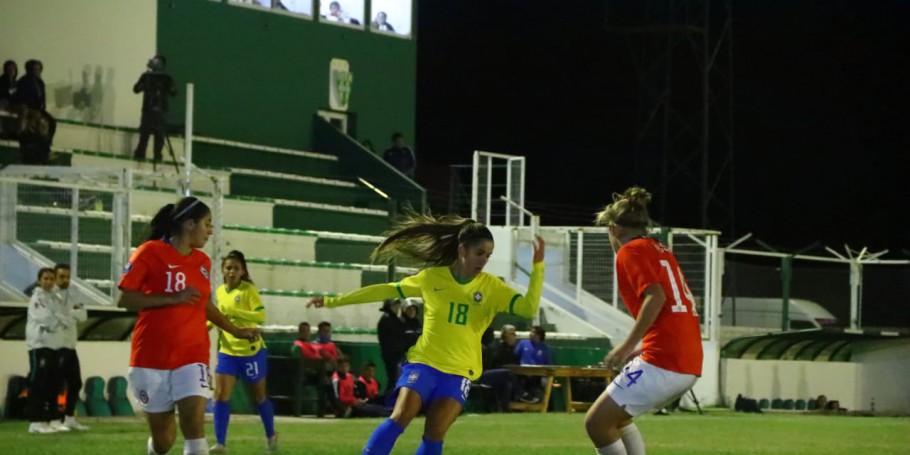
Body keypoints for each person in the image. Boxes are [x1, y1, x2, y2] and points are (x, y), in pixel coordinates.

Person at [308, 211, 545, 455]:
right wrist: (332, 301)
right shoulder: (432, 278)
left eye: (488, 255)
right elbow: (385, 290)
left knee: (434, 435)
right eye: (479, 253)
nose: (484, 261)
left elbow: (528, 307)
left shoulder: (492, 287)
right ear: (462, 250)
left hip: (460, 372)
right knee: (399, 417)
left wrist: (538, 267)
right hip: (425, 364)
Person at [117, 196, 259, 455]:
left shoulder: (203, 262)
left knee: (194, 427)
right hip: (150, 357)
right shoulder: (149, 252)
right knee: (164, 442)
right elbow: (124, 298)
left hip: (192, 355)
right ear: (190, 224)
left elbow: (204, 304)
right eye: (207, 223)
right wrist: (173, 298)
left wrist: (236, 330)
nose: (210, 230)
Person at [584, 187, 703, 455]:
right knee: (619, 418)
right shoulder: (659, 249)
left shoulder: (631, 251)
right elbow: (673, 307)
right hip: (684, 357)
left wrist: (626, 346)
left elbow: (656, 298)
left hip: (667, 360)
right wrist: (643, 347)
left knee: (597, 424)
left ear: (613, 229)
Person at [209, 250, 277, 453]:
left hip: (251, 351)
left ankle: (271, 435)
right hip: (227, 351)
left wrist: (233, 312)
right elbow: (218, 317)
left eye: (236, 268)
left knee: (259, 397)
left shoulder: (248, 291)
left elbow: (261, 316)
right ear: (222, 270)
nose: (231, 272)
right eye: (228, 268)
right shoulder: (220, 291)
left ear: (242, 271)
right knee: (221, 395)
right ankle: (220, 443)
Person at [24, 268, 67, 434]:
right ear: (39, 280)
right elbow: (46, 319)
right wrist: (59, 320)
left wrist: (60, 319)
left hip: (54, 345)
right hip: (39, 345)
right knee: (38, 383)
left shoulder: (54, 297)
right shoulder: (37, 297)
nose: (48, 282)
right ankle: (35, 421)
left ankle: (52, 419)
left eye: (51, 278)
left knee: (53, 384)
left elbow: (66, 316)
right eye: (45, 279)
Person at [53, 263, 90, 431]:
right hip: (54, 345)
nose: (65, 280)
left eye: (67, 276)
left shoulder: (73, 295)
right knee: (55, 384)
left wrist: (70, 314)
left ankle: (69, 418)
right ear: (54, 277)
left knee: (75, 383)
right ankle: (54, 419)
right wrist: (71, 314)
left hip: (70, 345)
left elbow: (83, 316)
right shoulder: (49, 295)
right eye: (62, 277)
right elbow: (56, 317)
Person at [132, 54, 176, 162]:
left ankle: (157, 157)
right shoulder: (146, 76)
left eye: (157, 62)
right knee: (144, 135)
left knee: (159, 136)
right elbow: (136, 89)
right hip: (148, 111)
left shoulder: (166, 78)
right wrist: (145, 81)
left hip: (160, 111)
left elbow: (174, 92)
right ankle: (140, 155)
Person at [478, 324, 521, 411]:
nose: (514, 336)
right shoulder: (497, 348)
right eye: (512, 334)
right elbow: (493, 364)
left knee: (507, 383)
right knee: (507, 373)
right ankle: (522, 394)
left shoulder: (513, 350)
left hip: (496, 376)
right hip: (484, 374)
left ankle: (502, 410)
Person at [15, 59, 56, 143]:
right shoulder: (23, 81)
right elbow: (22, 97)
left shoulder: (40, 82)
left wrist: (42, 105)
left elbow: (42, 96)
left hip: (39, 108)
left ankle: (48, 141)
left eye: (39, 69)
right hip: (28, 108)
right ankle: (24, 132)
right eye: (35, 69)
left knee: (52, 122)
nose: (37, 71)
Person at [515, 325, 552, 402]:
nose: (531, 334)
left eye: (534, 332)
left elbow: (547, 363)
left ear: (539, 335)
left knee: (544, 382)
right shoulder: (523, 343)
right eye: (531, 332)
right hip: (522, 373)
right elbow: (515, 357)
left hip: (537, 375)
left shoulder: (544, 348)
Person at [377, 299, 405, 395]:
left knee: (394, 379)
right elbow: (392, 340)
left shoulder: (393, 319)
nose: (397, 308)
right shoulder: (388, 320)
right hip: (392, 355)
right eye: (395, 306)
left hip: (393, 354)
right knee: (393, 379)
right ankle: (388, 399)